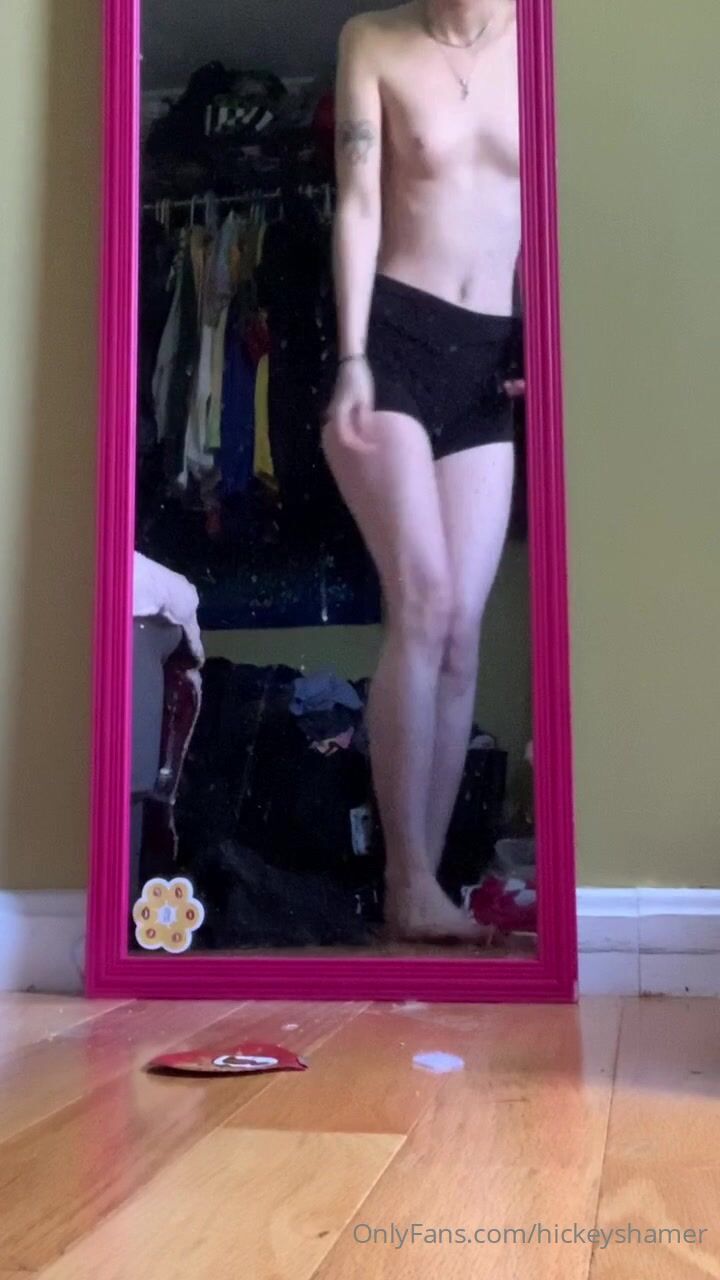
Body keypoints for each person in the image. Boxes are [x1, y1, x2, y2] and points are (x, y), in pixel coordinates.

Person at [323, 0, 522, 942]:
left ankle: (424, 891)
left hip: (492, 361)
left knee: (463, 635)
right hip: (394, 344)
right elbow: (360, 201)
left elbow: (560, 217)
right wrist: (353, 357)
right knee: (427, 601)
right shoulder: (372, 39)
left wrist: (547, 346)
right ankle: (407, 880)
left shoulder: (543, 42)